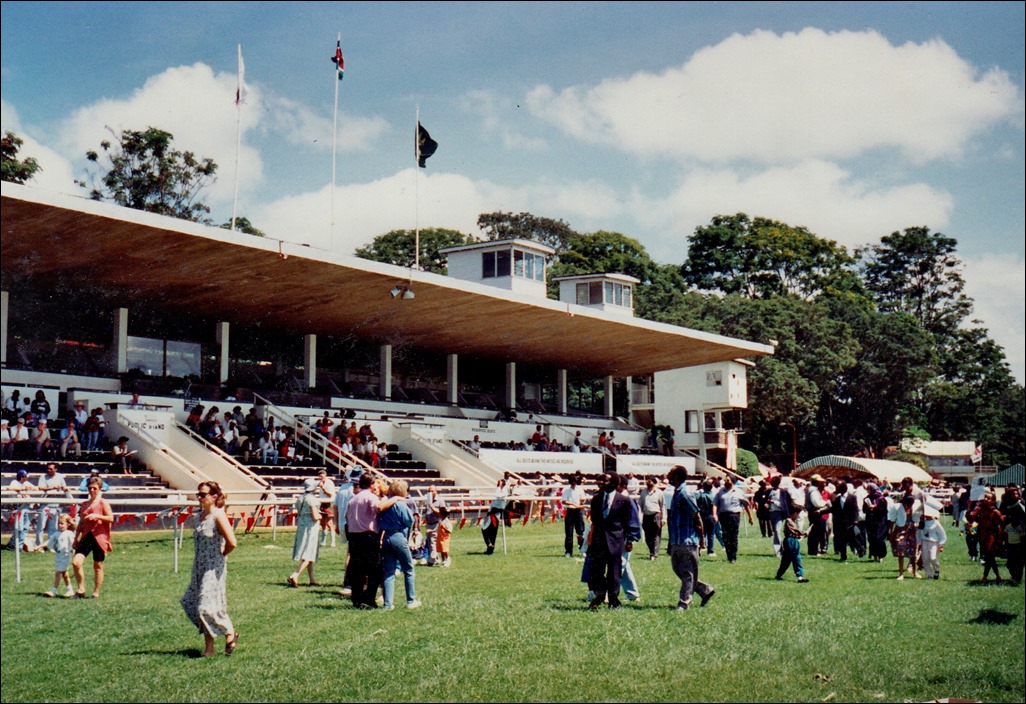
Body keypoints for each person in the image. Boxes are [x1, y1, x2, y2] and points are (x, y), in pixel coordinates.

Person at [181, 481, 239, 656]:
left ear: (214, 497)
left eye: (203, 495)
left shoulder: (218, 516)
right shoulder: (198, 517)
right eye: (198, 494)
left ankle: (229, 631)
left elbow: (232, 542)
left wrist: (222, 554)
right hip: (199, 566)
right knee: (191, 602)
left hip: (213, 568)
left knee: (205, 607)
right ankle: (209, 649)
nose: (199, 498)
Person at [666, 465, 715, 610]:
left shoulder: (685, 494)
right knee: (677, 568)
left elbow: (696, 516)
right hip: (677, 539)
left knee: (687, 572)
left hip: (687, 540)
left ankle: (684, 602)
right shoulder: (676, 493)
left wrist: (701, 540)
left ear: (676, 476)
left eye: (670, 473)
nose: (667, 476)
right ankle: (704, 590)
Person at [587, 472, 633, 610]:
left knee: (614, 572)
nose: (602, 483)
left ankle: (613, 600)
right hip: (599, 541)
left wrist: (629, 540)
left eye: (605, 481)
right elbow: (595, 520)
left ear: (613, 483)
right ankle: (599, 597)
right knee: (598, 571)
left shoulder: (624, 500)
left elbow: (628, 522)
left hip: (615, 541)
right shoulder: (596, 499)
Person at [379, 479, 420, 610]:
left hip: (386, 536)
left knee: (389, 571)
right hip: (398, 536)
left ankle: (388, 603)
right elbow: (409, 521)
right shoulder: (401, 504)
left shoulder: (385, 503)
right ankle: (410, 600)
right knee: (408, 568)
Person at [72, 476, 114, 598]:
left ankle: (96, 593)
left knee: (98, 565)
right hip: (86, 536)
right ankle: (81, 590)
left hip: (99, 537)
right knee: (76, 563)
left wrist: (97, 516)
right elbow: (81, 523)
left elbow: (110, 518)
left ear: (100, 489)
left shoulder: (103, 503)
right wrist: (76, 538)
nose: (91, 491)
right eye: (90, 488)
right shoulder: (85, 504)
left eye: (94, 488)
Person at [287, 478, 322, 588]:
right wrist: (321, 515)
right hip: (311, 528)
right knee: (309, 553)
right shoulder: (312, 499)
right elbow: (315, 516)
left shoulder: (300, 498)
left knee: (308, 552)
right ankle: (295, 574)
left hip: (302, 526)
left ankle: (312, 579)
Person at [32, 514, 77, 597]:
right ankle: (70, 590)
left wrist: (75, 553)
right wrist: (39, 546)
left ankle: (53, 590)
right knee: (64, 573)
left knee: (58, 572)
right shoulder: (56, 534)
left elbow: (73, 544)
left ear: (68, 524)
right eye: (59, 523)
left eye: (62, 523)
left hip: (65, 555)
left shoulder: (69, 534)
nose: (60, 525)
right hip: (58, 555)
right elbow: (49, 542)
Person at [713, 477, 753, 563]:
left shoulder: (738, 492)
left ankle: (733, 557)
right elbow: (715, 503)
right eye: (725, 480)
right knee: (725, 536)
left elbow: (746, 505)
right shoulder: (720, 492)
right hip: (723, 515)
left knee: (733, 536)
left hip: (734, 515)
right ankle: (729, 555)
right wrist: (714, 514)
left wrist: (750, 517)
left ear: (732, 481)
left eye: (728, 480)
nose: (726, 481)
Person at [968, 491, 1005, 584]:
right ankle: (996, 576)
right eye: (985, 497)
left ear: (993, 501)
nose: (985, 499)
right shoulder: (980, 509)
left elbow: (1002, 524)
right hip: (982, 536)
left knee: (990, 556)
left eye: (988, 498)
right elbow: (971, 518)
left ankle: (987, 576)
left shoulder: (995, 512)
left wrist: (1000, 537)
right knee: (989, 557)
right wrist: (969, 506)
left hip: (992, 537)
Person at [37, 462, 70, 548]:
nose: (49, 470)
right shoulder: (43, 477)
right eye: (48, 468)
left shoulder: (60, 476)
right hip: (45, 505)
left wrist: (64, 488)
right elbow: (41, 488)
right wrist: (52, 488)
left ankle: (51, 546)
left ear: (55, 469)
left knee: (53, 527)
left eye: (51, 469)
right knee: (41, 526)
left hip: (55, 505)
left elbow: (64, 486)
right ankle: (39, 546)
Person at [889, 492, 920, 581]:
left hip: (912, 531)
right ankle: (901, 574)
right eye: (908, 504)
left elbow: (918, 517)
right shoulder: (896, 507)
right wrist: (891, 533)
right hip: (900, 532)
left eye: (911, 504)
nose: (909, 506)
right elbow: (892, 521)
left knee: (914, 552)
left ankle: (915, 572)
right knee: (901, 553)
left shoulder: (915, 506)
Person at [775, 504, 810, 582]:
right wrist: (804, 533)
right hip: (791, 541)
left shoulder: (791, 521)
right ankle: (800, 576)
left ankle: (779, 575)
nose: (798, 516)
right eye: (798, 514)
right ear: (794, 513)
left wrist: (801, 535)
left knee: (786, 560)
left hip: (792, 540)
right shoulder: (789, 521)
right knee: (796, 558)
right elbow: (794, 530)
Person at [8, 469, 35, 551]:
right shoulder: (14, 482)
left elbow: (34, 488)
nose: (26, 478)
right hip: (18, 507)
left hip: (26, 507)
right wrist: (22, 489)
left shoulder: (26, 483)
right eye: (25, 476)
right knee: (19, 528)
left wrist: (31, 488)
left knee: (25, 528)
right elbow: (11, 489)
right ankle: (11, 544)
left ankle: (19, 546)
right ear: (22, 477)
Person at [639, 477, 665, 560]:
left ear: (654, 483)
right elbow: (640, 505)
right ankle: (651, 550)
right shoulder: (643, 492)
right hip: (646, 516)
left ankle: (653, 554)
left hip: (656, 515)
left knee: (655, 535)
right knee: (647, 537)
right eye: (647, 481)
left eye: (650, 481)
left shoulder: (659, 493)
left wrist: (664, 518)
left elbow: (663, 506)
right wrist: (639, 516)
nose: (648, 482)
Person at [862, 483, 890, 562]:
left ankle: (880, 556)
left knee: (879, 538)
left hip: (880, 521)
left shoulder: (881, 499)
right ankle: (874, 556)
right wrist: (868, 508)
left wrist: (875, 508)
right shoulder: (867, 498)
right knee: (872, 539)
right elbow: (864, 510)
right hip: (870, 521)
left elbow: (883, 510)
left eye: (869, 489)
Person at [1002, 485, 1023, 586]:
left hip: (1020, 536)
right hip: (1009, 535)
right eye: (1013, 493)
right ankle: (1014, 575)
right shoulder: (1005, 505)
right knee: (1009, 561)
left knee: (1018, 560)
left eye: (1017, 493)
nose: (1016, 495)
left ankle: (1017, 578)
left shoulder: (1021, 505)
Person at [562, 474, 587, 557]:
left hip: (578, 511)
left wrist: (582, 501)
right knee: (569, 532)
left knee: (580, 531)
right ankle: (568, 551)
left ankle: (582, 549)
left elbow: (583, 499)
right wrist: (573, 504)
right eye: (572, 483)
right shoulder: (566, 490)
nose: (574, 485)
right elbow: (564, 501)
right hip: (570, 511)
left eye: (575, 483)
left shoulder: (580, 489)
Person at [919, 505, 947, 580]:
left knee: (933, 557)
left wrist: (941, 544)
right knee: (925, 559)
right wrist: (919, 542)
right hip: (924, 541)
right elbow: (919, 532)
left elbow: (942, 533)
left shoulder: (936, 522)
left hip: (933, 542)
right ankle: (929, 574)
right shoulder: (922, 522)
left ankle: (937, 569)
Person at [422, 485, 446, 566]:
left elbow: (443, 514)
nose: (431, 493)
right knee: (429, 542)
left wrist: (433, 508)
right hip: (429, 524)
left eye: (432, 491)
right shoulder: (427, 501)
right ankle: (435, 558)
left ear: (436, 491)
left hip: (436, 524)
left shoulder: (440, 501)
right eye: (429, 491)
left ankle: (431, 560)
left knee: (433, 542)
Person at [695, 481, 717, 556]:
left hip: (701, 516)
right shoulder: (713, 496)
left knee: (701, 533)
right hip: (710, 515)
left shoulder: (699, 495)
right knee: (711, 534)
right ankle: (710, 551)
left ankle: (698, 548)